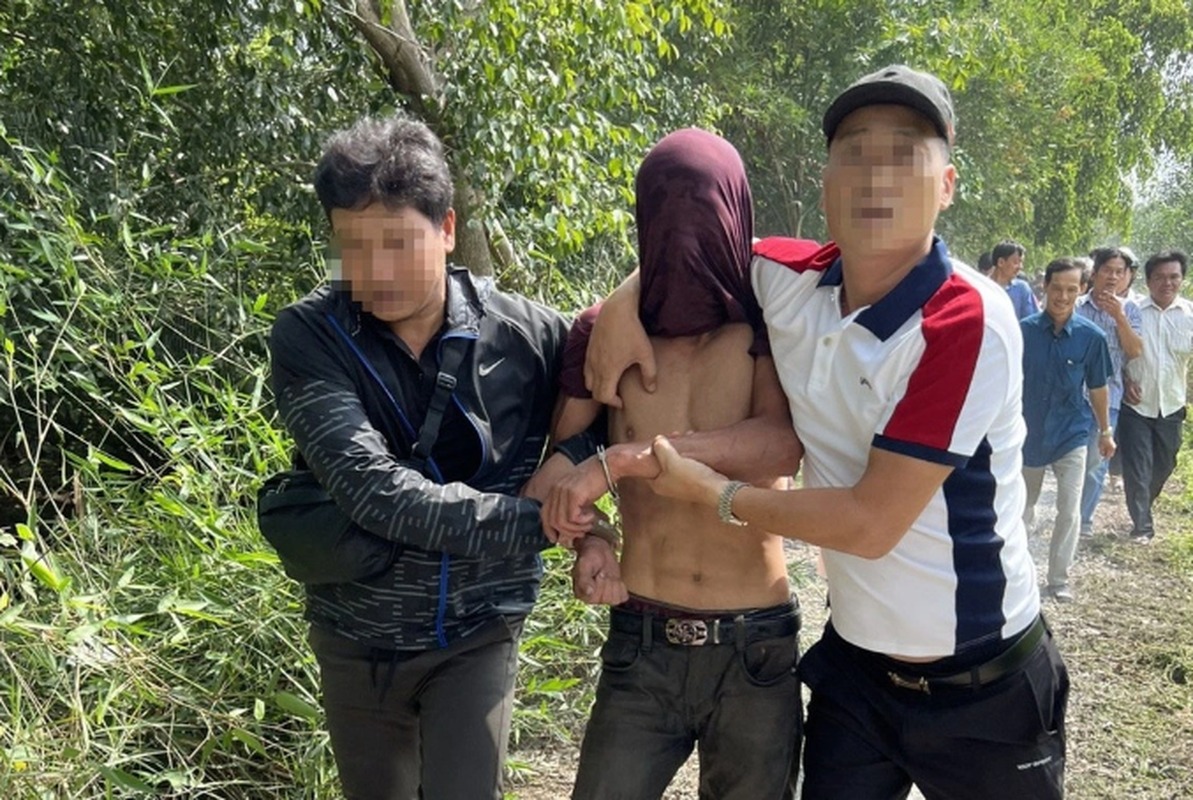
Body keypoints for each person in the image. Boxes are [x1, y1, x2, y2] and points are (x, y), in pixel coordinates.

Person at [575, 65, 1068, 799]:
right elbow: (689, 241)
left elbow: (869, 524)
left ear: (947, 184)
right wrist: (618, 304)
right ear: (824, 183)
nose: (876, 176)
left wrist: (714, 493)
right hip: (856, 677)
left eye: (904, 154)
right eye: (855, 153)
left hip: (982, 682)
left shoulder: (965, 320)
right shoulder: (790, 280)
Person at [268, 114, 570, 799]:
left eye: (397, 244)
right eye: (352, 247)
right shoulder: (311, 336)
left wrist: (575, 465)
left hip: (479, 629)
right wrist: (543, 524)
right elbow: (372, 491)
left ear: (447, 228)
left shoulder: (528, 334)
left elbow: (609, 403)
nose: (374, 272)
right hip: (356, 634)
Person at [546, 129, 803, 800]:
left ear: (735, 214)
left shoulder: (768, 321)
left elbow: (780, 446)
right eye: (664, 214)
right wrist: (592, 540)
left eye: (703, 212)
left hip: (753, 643)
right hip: (642, 636)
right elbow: (562, 471)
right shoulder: (601, 335)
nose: (684, 234)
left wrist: (630, 459)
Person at [1020, 258, 1114, 602]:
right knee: (1022, 508)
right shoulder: (1023, 332)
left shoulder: (1092, 338)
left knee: (1069, 509)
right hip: (1028, 433)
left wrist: (1105, 431)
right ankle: (1019, 572)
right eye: (1057, 288)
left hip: (1071, 433)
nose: (1062, 296)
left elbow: (1098, 387)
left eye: (1071, 289)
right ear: (1045, 286)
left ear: (1082, 289)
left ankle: (1058, 579)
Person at [1119, 250, 1193, 543]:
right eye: (1160, 277)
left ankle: (1142, 506)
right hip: (1136, 404)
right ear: (1148, 281)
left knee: (1165, 464)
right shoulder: (1132, 311)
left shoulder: (1189, 315)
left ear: (1182, 279)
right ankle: (1142, 527)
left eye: (1174, 277)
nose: (1167, 283)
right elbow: (1115, 351)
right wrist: (1124, 380)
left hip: (1172, 403)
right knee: (1138, 467)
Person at [1075, 246, 1143, 536]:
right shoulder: (1076, 305)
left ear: (1127, 275)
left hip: (1109, 398)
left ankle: (1083, 520)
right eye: (1107, 270)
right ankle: (1065, 514)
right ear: (1094, 273)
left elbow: (1135, 351)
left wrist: (1119, 317)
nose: (1113, 277)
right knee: (1067, 459)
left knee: (1095, 463)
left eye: (1119, 272)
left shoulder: (1131, 310)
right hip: (1071, 396)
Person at [989, 239, 1039, 318]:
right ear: (1000, 262)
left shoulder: (1022, 289)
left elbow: (1031, 321)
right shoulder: (982, 287)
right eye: (1016, 262)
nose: (1020, 267)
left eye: (1021, 262)